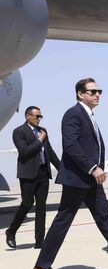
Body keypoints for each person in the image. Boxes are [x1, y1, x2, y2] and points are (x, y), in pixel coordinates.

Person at [32, 78, 108, 269]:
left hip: (90, 180)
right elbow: (70, 145)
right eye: (92, 91)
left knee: (104, 217)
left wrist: (97, 170)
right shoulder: (73, 114)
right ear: (80, 94)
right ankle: (41, 267)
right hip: (78, 178)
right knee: (64, 220)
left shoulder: (89, 115)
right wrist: (92, 168)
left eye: (99, 91)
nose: (97, 95)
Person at [6, 106, 60, 250]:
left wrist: (62, 169)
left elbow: (50, 151)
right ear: (27, 116)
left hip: (43, 173)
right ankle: (11, 231)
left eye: (40, 116)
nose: (39, 118)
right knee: (27, 203)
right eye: (36, 116)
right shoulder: (19, 132)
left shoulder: (43, 131)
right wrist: (39, 141)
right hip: (28, 174)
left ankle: (39, 241)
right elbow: (24, 152)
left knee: (41, 208)